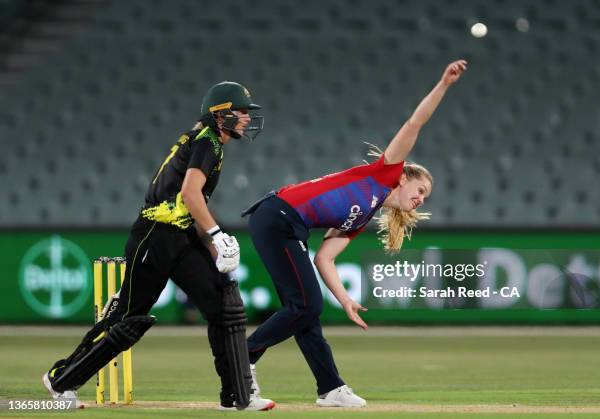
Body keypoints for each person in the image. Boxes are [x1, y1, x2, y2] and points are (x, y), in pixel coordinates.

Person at [242, 60, 467, 407]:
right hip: (277, 216)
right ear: (404, 177)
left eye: (426, 198)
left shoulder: (364, 214)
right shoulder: (384, 173)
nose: (421, 199)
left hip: (288, 226)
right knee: (306, 305)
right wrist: (444, 85)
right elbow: (414, 123)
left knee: (306, 312)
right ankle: (243, 358)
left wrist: (345, 299)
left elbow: (325, 258)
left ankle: (330, 388)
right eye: (421, 190)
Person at [42, 81, 275, 411]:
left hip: (177, 235)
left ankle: (237, 395)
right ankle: (61, 379)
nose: (247, 118)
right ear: (220, 114)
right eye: (240, 112)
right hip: (154, 236)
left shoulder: (206, 142)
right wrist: (218, 235)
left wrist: (211, 245)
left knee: (223, 308)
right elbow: (191, 195)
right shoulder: (206, 143)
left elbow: (188, 205)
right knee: (127, 320)